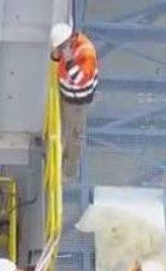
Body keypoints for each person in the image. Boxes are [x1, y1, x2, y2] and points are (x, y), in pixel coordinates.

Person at [51, 23, 99, 178]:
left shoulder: (87, 52)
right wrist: (57, 55)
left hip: (78, 103)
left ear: (70, 39)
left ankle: (69, 171)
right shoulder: (67, 46)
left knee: (74, 136)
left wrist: (70, 59)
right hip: (67, 97)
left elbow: (80, 78)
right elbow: (57, 61)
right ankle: (60, 157)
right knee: (64, 129)